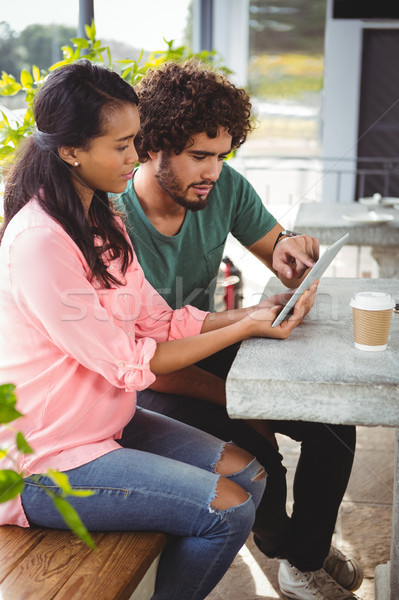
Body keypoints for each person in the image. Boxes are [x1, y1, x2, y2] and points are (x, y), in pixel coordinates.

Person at [0, 60, 319, 600]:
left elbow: (162, 318)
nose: (135, 156)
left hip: (108, 425)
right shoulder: (39, 241)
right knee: (229, 508)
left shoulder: (103, 219)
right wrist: (239, 331)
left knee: (254, 476)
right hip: (43, 460)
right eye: (122, 146)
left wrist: (250, 316)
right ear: (72, 150)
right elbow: (132, 361)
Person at [117, 60, 363, 600]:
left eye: (222, 155)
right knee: (260, 458)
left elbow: (276, 244)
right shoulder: (114, 221)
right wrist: (241, 398)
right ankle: (291, 550)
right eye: (199, 156)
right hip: (152, 375)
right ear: (151, 145)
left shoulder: (220, 187)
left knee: (333, 425)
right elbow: (142, 360)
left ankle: (305, 559)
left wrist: (292, 253)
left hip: (216, 335)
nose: (213, 171)